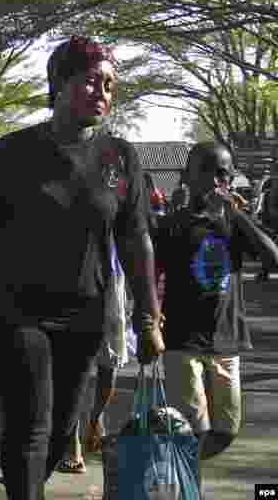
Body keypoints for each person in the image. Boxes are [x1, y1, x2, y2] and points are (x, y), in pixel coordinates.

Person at [0, 36, 165, 500]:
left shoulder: (120, 158)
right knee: (32, 425)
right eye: (89, 82)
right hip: (15, 313)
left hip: (84, 317)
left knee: (65, 431)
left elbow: (136, 240)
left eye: (108, 84)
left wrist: (149, 317)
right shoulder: (12, 153)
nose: (101, 92)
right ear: (59, 85)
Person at [152, 141, 278, 491]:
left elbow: (273, 259)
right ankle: (187, 487)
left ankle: (178, 466)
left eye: (224, 173)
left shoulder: (234, 223)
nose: (216, 180)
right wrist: (149, 320)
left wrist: (237, 216)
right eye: (207, 171)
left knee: (227, 429)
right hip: (182, 340)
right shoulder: (174, 224)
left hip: (226, 340)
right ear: (188, 177)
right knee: (192, 427)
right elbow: (151, 274)